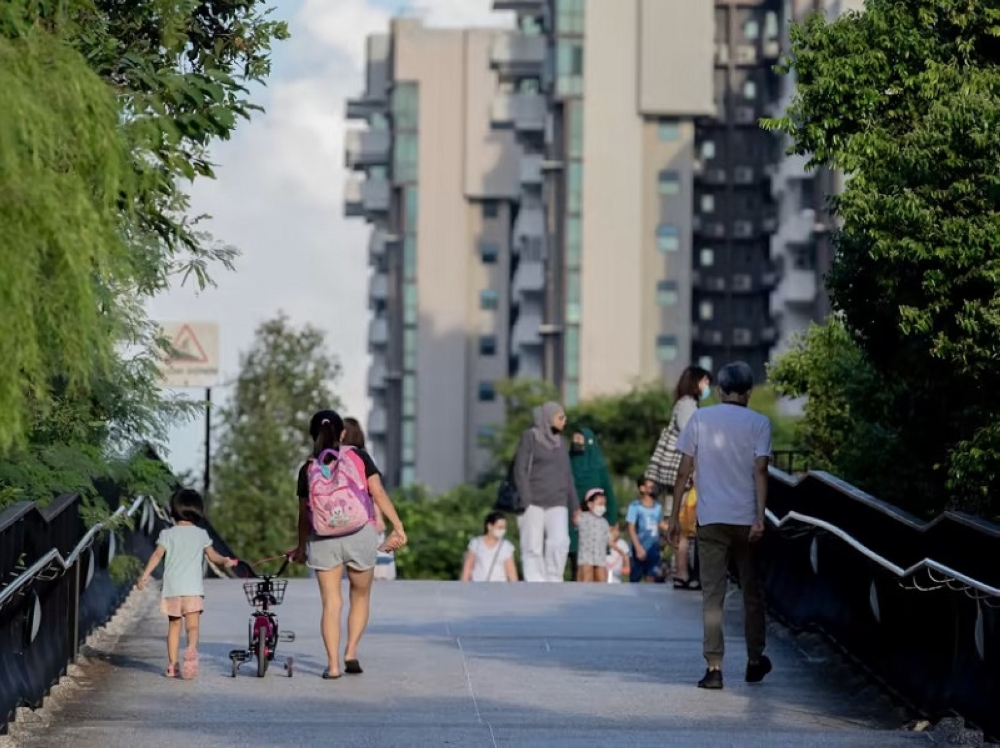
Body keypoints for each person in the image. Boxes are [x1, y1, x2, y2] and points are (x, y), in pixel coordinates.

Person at [669, 361, 772, 691]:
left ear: (719, 391)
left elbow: (684, 471)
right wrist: (760, 516)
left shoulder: (700, 418)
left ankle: (714, 668)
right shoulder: (760, 423)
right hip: (747, 521)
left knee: (712, 596)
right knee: (751, 592)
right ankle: (755, 660)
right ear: (749, 393)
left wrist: (672, 517)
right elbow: (760, 471)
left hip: (711, 519)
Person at [293, 409, 407, 679]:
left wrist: (300, 547)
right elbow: (377, 492)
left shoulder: (307, 468)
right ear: (342, 433)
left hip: (323, 540)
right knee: (360, 595)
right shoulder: (358, 455)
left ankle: (332, 666)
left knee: (331, 604)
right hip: (359, 534)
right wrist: (397, 525)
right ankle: (351, 652)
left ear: (312, 434)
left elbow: (303, 516)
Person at [138, 488, 237, 679]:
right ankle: (191, 649)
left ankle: (173, 665)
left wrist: (145, 575)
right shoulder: (201, 534)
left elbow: (157, 555)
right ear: (198, 511)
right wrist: (225, 560)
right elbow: (213, 556)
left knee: (174, 627)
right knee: (193, 627)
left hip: (172, 589)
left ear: (174, 510)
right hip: (192, 589)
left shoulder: (167, 534)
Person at [646, 365, 712, 589]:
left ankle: (682, 572)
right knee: (684, 525)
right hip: (682, 472)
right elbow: (691, 437)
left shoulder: (683, 404)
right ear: (696, 382)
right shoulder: (688, 406)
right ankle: (683, 572)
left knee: (682, 525)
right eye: (705, 382)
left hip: (679, 472)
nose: (707, 387)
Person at [512, 401, 580, 582]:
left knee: (560, 542)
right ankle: (534, 580)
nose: (564, 421)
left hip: (558, 501)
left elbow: (568, 475)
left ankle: (553, 578)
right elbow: (520, 469)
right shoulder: (530, 437)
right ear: (548, 417)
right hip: (532, 501)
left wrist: (575, 506)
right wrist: (525, 498)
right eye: (560, 417)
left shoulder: (561, 443)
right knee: (532, 545)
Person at [341, 417, 395, 581]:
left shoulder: (327, 459)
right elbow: (373, 491)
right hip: (364, 524)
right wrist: (380, 518)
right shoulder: (362, 458)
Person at [568, 428, 617, 579]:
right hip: (574, 519)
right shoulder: (568, 462)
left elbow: (609, 493)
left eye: (580, 438)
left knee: (597, 563)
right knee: (576, 558)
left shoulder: (598, 467)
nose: (576, 441)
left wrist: (612, 521)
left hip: (596, 522)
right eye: (574, 437)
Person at [626, 478, 667, 583]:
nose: (652, 489)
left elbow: (660, 524)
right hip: (640, 546)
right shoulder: (635, 506)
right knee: (635, 578)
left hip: (653, 548)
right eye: (650, 486)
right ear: (642, 488)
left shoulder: (658, 506)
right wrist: (638, 547)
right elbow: (631, 528)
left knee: (652, 577)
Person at [461, 512, 518, 582]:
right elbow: (468, 567)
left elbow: (511, 571)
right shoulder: (476, 543)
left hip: (500, 588)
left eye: (504, 528)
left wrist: (515, 590)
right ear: (490, 526)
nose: (502, 530)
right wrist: (463, 587)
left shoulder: (506, 546)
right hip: (478, 587)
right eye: (499, 527)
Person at [575, 488, 610, 582]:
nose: (602, 507)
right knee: (587, 577)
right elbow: (575, 520)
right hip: (586, 557)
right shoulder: (583, 517)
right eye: (599, 504)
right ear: (590, 504)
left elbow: (608, 538)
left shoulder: (604, 522)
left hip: (600, 557)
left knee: (601, 578)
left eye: (603, 504)